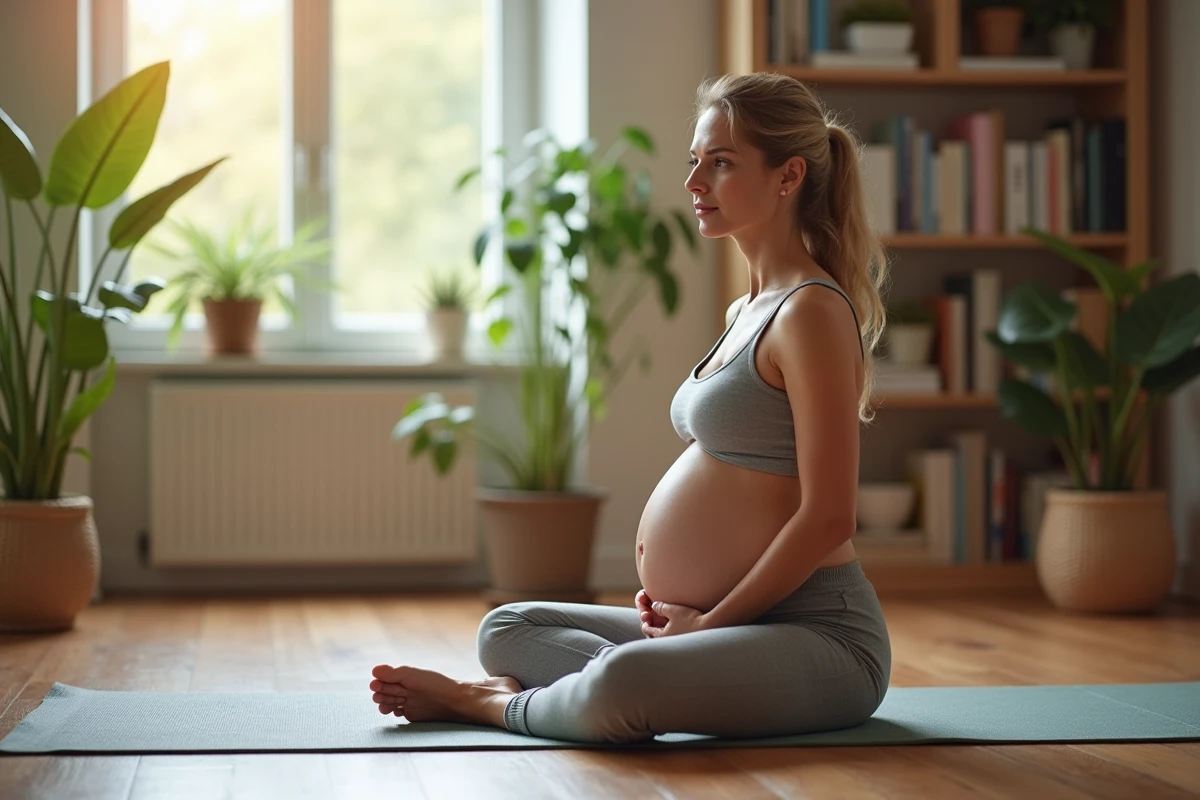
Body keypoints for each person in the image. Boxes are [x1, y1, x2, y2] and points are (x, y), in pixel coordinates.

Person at [368, 72, 892, 744]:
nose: (694, 183)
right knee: (508, 627)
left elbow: (826, 519)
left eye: (722, 163)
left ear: (788, 176)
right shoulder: (746, 311)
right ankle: (593, 688)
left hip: (818, 635)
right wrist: (697, 621)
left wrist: (711, 626)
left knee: (627, 684)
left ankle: (489, 704)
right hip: (718, 620)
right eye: (694, 162)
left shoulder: (811, 312)